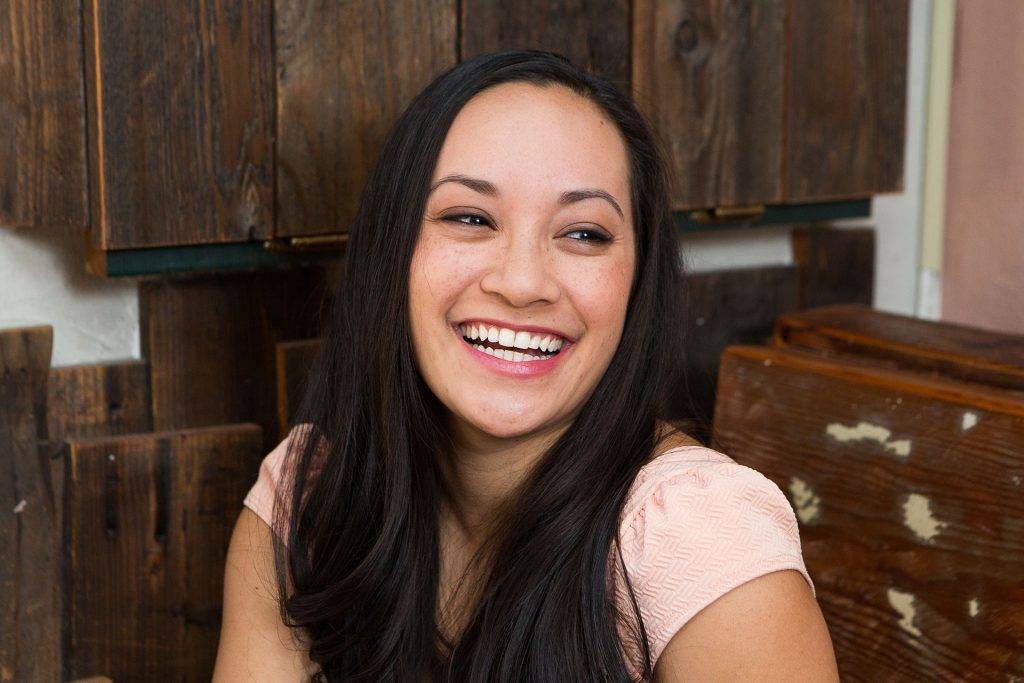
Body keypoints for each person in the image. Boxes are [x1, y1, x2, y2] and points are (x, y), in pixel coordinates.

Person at [213, 49, 838, 681]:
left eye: (584, 233)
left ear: (637, 280)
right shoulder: (313, 498)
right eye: (469, 218)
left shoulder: (700, 539)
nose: (522, 283)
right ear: (391, 250)